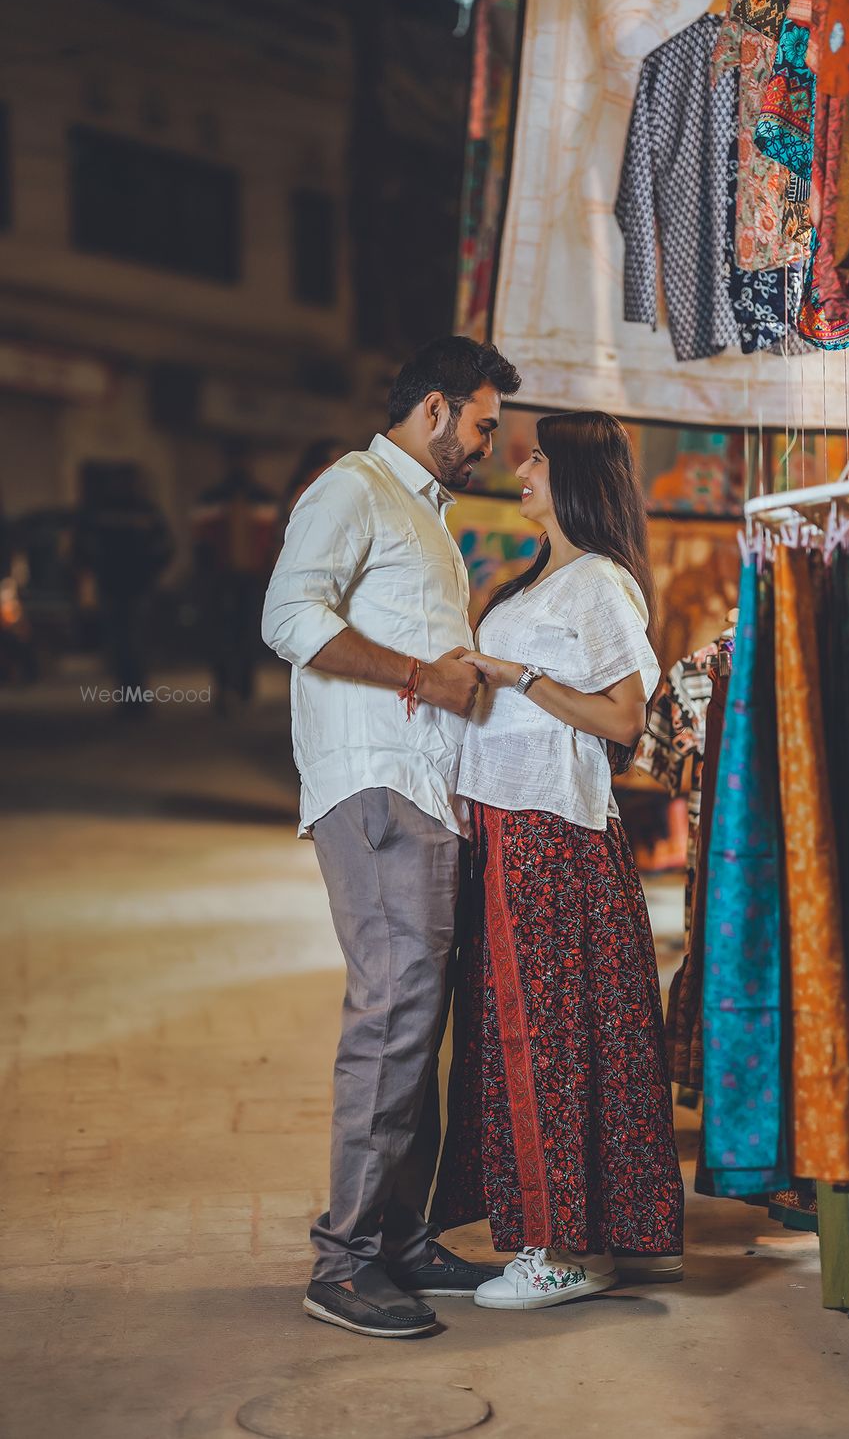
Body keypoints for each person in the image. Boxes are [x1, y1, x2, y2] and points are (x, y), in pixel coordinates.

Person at [261, 335, 522, 1338]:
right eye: (484, 424)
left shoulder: (422, 512)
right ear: (434, 409)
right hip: (372, 782)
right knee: (395, 1007)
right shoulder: (354, 489)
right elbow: (288, 618)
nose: (490, 445)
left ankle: (402, 1238)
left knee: (422, 1014)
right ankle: (348, 1259)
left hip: (425, 788)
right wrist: (420, 676)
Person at [433, 411, 685, 1309]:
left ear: (574, 474)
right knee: (559, 1035)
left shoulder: (600, 587)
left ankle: (562, 1249)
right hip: (513, 827)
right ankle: (609, 1235)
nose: (521, 465)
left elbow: (625, 719)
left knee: (544, 1038)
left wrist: (520, 677)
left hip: (549, 833)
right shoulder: (537, 579)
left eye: (536, 455)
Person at [75, 463, 173, 710]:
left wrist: (151, 571)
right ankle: (126, 697)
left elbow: (166, 547)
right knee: (119, 643)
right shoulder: (100, 512)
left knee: (135, 642)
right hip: (112, 584)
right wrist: (94, 567)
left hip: (137, 586)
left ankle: (137, 698)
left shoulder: (145, 512)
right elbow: (82, 546)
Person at [193, 443, 280, 713]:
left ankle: (244, 686)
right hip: (219, 577)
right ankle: (222, 687)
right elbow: (200, 540)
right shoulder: (211, 498)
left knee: (248, 631)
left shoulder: (263, 498)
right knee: (220, 633)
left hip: (253, 577)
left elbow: (274, 540)